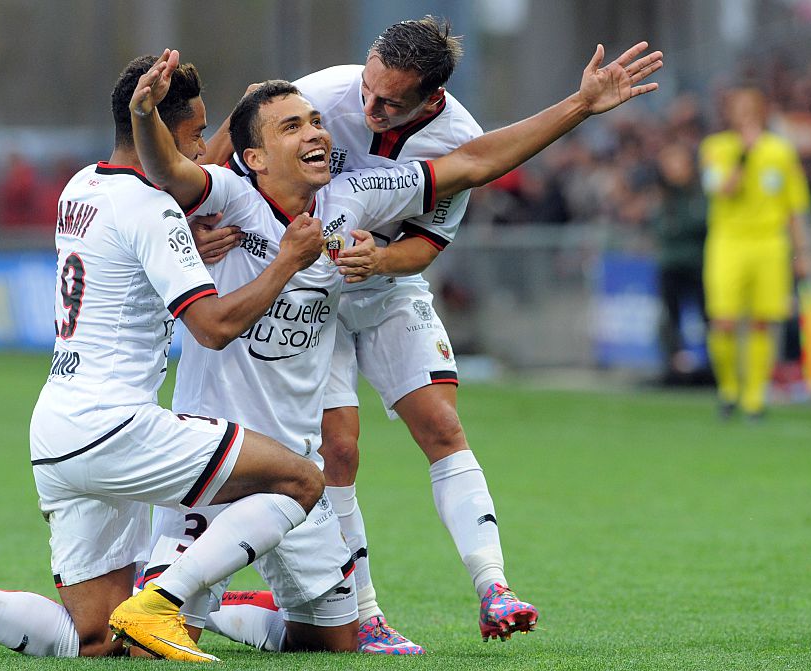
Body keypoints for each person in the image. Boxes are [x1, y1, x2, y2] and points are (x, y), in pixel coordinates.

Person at [130, 38, 661, 654]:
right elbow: (175, 171)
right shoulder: (233, 192)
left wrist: (581, 105)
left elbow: (473, 166)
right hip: (216, 453)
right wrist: (156, 143)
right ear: (253, 157)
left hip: (318, 412)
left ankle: (260, 611)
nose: (326, 127)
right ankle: (176, 597)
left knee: (335, 634)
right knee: (132, 636)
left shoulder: (356, 194)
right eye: (294, 126)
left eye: (317, 123)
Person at [0, 55, 328, 663]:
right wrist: (288, 259)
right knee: (301, 479)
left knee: (97, 639)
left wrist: (187, 221)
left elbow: (140, 244)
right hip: (117, 428)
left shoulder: (81, 185)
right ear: (159, 131)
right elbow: (211, 329)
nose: (201, 149)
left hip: (56, 431)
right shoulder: (153, 209)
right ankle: (168, 599)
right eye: (194, 131)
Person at [700, 85, 811, 419]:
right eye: (740, 107)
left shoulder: (781, 151)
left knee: (762, 323)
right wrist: (744, 155)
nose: (747, 114)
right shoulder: (716, 148)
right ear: (731, 113)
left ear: (762, 111)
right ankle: (728, 389)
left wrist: (803, 254)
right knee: (723, 320)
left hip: (769, 244)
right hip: (728, 242)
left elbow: (795, 208)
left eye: (752, 107)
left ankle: (754, 398)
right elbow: (723, 189)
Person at [653, 141, 709, 385]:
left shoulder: (700, 194)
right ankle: (672, 368)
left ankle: (712, 369)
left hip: (699, 265)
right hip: (670, 266)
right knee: (669, 319)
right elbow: (661, 229)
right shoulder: (663, 197)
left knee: (709, 317)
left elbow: (699, 224)